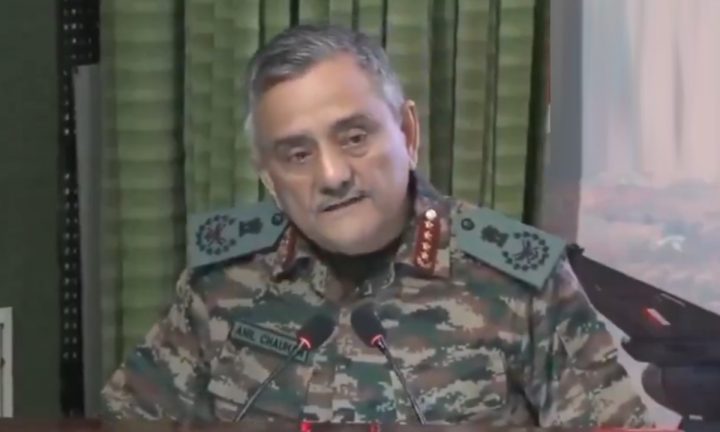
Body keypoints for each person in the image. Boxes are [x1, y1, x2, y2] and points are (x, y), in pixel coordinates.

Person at [101, 24, 651, 427]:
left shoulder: (520, 284)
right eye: (297, 154)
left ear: (407, 133)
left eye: (355, 137)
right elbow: (132, 418)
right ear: (267, 176)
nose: (333, 175)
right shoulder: (222, 283)